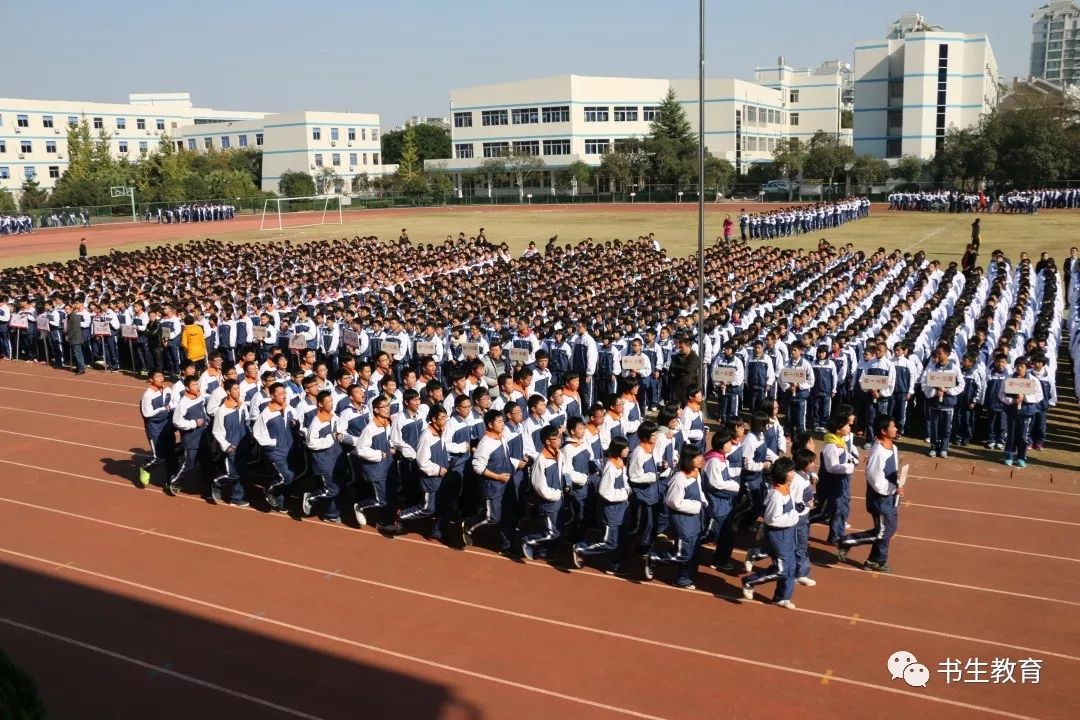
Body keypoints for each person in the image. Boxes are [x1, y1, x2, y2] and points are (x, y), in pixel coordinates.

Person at [838, 416, 902, 572]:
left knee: (889, 529)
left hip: (891, 496)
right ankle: (847, 541)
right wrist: (892, 489)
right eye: (892, 427)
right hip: (880, 499)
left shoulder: (892, 447)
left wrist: (897, 483)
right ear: (883, 431)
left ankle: (875, 560)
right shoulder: (878, 452)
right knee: (884, 532)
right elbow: (874, 479)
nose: (895, 429)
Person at [741, 456, 800, 609]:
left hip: (788, 534)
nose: (794, 474)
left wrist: (797, 508)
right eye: (791, 471)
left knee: (790, 567)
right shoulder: (776, 495)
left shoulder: (786, 489)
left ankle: (782, 597)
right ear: (782, 473)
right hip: (778, 535)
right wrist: (794, 515)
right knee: (781, 569)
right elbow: (772, 520)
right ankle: (750, 581)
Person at [648, 444, 706, 590]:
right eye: (696, 457)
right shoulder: (679, 478)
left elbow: (699, 491)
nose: (701, 459)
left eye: (700, 455)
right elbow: (673, 501)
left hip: (695, 519)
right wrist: (696, 505)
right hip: (683, 520)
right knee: (683, 553)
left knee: (694, 551)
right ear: (688, 459)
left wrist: (703, 501)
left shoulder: (696, 473)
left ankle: (684, 578)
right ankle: (653, 558)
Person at [571, 436, 631, 575]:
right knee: (610, 542)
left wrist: (627, 490)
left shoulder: (620, 463)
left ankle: (614, 566)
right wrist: (624, 494)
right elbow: (604, 492)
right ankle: (581, 548)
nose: (628, 450)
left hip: (622, 508)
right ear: (618, 450)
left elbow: (625, 481)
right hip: (612, 511)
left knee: (623, 538)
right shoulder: (610, 466)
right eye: (625, 448)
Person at [1000, 356, 1043, 468]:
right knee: (1011, 434)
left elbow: (1039, 396)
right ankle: (1009, 455)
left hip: (1027, 411)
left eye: (1022, 366)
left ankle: (1021, 457)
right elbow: (1001, 395)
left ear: (1026, 367)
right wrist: (1012, 400)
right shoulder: (1009, 379)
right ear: (1014, 366)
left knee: (1023, 436)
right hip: (1012, 411)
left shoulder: (1033, 380)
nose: (1020, 368)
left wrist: (1025, 398)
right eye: (1018, 366)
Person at [65, 300, 86, 375]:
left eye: (67, 309)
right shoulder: (70, 316)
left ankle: (81, 368)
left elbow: (75, 329)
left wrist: (68, 336)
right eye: (65, 309)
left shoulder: (75, 316)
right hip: (73, 338)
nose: (66, 310)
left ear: (71, 309)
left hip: (76, 338)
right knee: (75, 353)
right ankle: (78, 367)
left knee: (78, 353)